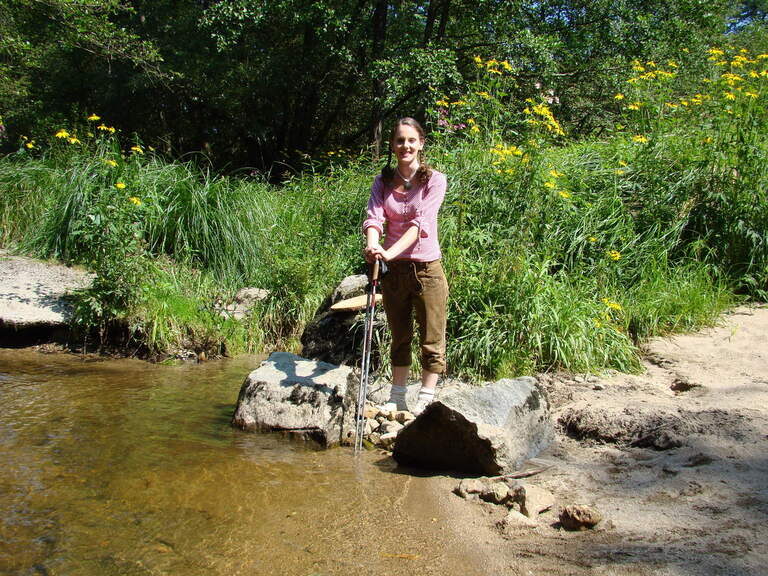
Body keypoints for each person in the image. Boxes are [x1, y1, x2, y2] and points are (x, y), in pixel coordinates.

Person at [362, 117, 449, 416]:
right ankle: (397, 396)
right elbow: (374, 218)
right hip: (393, 272)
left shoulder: (435, 180)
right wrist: (374, 245)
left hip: (427, 269)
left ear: (421, 143)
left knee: (432, 337)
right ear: (392, 145)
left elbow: (419, 224)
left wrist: (388, 252)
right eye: (400, 141)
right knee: (399, 336)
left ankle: (425, 397)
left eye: (411, 140)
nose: (405, 146)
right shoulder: (382, 181)